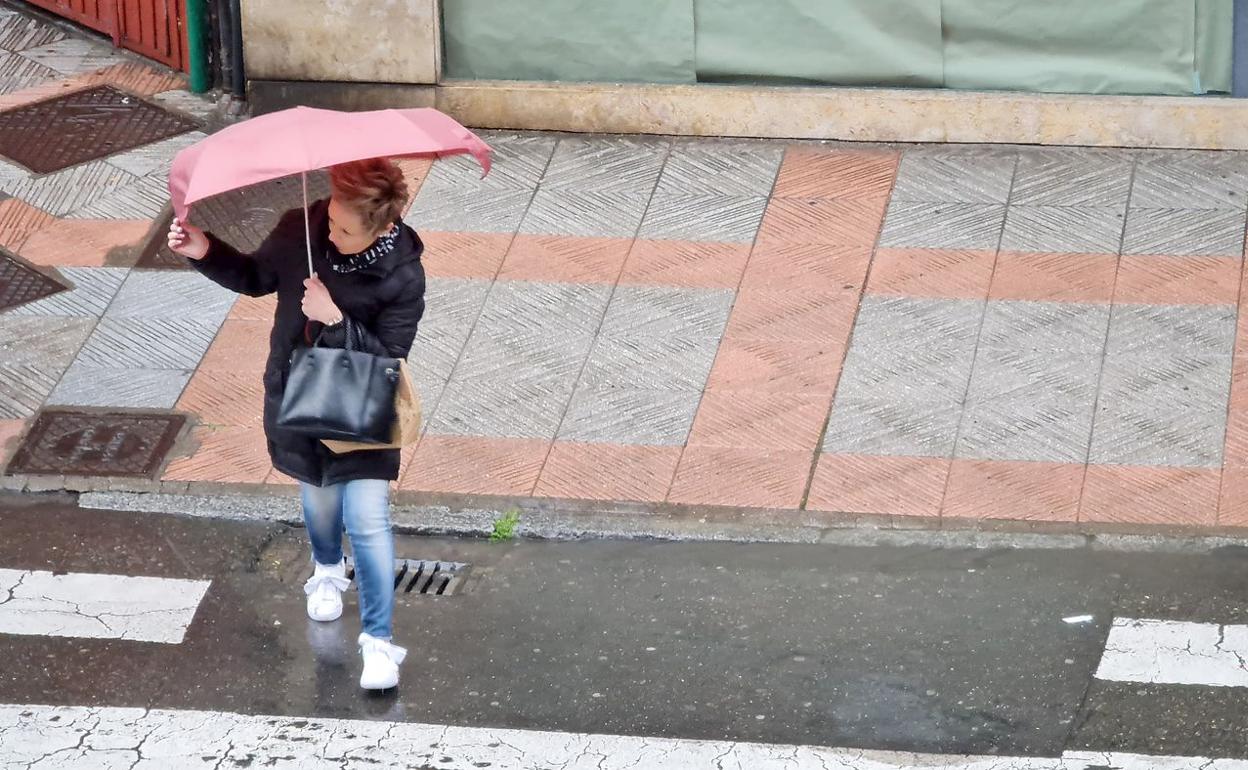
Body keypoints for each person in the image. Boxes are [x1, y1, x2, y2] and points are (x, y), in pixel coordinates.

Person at [167, 158, 425, 691]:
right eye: (330, 218)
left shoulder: (403, 271)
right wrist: (204, 250)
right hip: (299, 396)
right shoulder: (299, 229)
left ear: (381, 226)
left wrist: (335, 318)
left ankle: (379, 644)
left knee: (369, 519)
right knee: (319, 497)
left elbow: (390, 356)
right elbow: (257, 277)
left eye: (344, 229)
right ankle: (327, 569)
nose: (330, 232)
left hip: (360, 406)